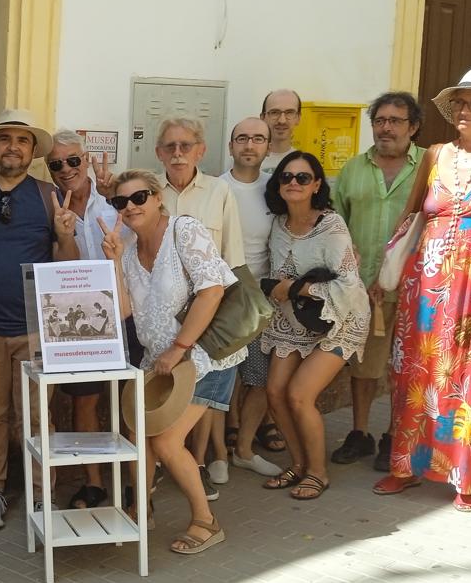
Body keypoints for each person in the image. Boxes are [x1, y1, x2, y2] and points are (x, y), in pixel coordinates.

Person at [98, 169, 243, 554]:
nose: (130, 207)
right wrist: (112, 260)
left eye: (139, 197)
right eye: (120, 202)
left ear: (158, 197)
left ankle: (206, 521)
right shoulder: (127, 248)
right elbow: (125, 310)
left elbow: (212, 291)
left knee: (165, 440)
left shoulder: (184, 230)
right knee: (139, 435)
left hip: (202, 356)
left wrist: (179, 347)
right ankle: (141, 509)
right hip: (160, 363)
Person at [376, 66, 471, 511]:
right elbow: (411, 217)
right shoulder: (435, 154)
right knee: (415, 372)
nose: (464, 110)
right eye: (459, 102)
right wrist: (387, 270)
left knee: (469, 373)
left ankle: (467, 475)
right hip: (425, 283)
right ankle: (403, 466)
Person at [0, 110, 78, 530]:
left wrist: (65, 235)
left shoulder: (49, 196)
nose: (12, 146)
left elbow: (68, 267)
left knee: (34, 419)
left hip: (35, 330)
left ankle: (40, 495)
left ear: (32, 151)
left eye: (22, 140)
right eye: (4, 139)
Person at [260, 152, 369, 501]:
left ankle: (318, 472)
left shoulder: (331, 225)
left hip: (342, 319)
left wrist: (293, 288)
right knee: (275, 392)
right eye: (286, 177)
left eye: (303, 177)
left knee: (299, 394)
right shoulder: (277, 224)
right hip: (296, 319)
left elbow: (348, 285)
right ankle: (298, 464)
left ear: (317, 184)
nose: (293, 182)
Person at [331, 92, 425, 469]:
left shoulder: (429, 167)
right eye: (380, 120)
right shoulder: (354, 169)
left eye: (395, 120)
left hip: (414, 286)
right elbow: (336, 220)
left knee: (404, 366)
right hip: (363, 289)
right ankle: (359, 433)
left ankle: (393, 436)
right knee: (365, 366)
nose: (386, 128)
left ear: (413, 127)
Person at [154, 116, 245, 496]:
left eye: (185, 146)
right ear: (159, 152)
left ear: (200, 150)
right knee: (164, 389)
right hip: (161, 315)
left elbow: (232, 259)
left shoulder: (219, 192)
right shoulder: (149, 192)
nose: (178, 154)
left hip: (208, 311)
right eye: (170, 147)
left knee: (203, 392)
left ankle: (199, 460)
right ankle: (162, 462)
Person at [47, 129, 125, 508]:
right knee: (85, 402)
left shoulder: (116, 197)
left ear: (87, 158)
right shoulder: (52, 207)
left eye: (73, 160)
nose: (66, 169)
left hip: (126, 311)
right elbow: (65, 269)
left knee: (132, 401)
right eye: (56, 164)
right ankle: (94, 482)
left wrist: (116, 197)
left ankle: (139, 482)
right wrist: (64, 235)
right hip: (82, 317)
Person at [220, 117, 283, 478]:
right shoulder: (216, 187)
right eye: (241, 138)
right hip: (224, 299)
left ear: (267, 146)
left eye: (258, 139)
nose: (249, 145)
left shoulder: (276, 189)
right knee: (224, 376)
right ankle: (222, 443)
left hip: (264, 300)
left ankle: (243, 447)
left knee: (259, 377)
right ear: (231, 146)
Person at [260, 89, 302, 172]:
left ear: (298, 118)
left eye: (289, 112)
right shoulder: (245, 161)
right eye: (275, 112)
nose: (282, 120)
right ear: (263, 117)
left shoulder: (305, 164)